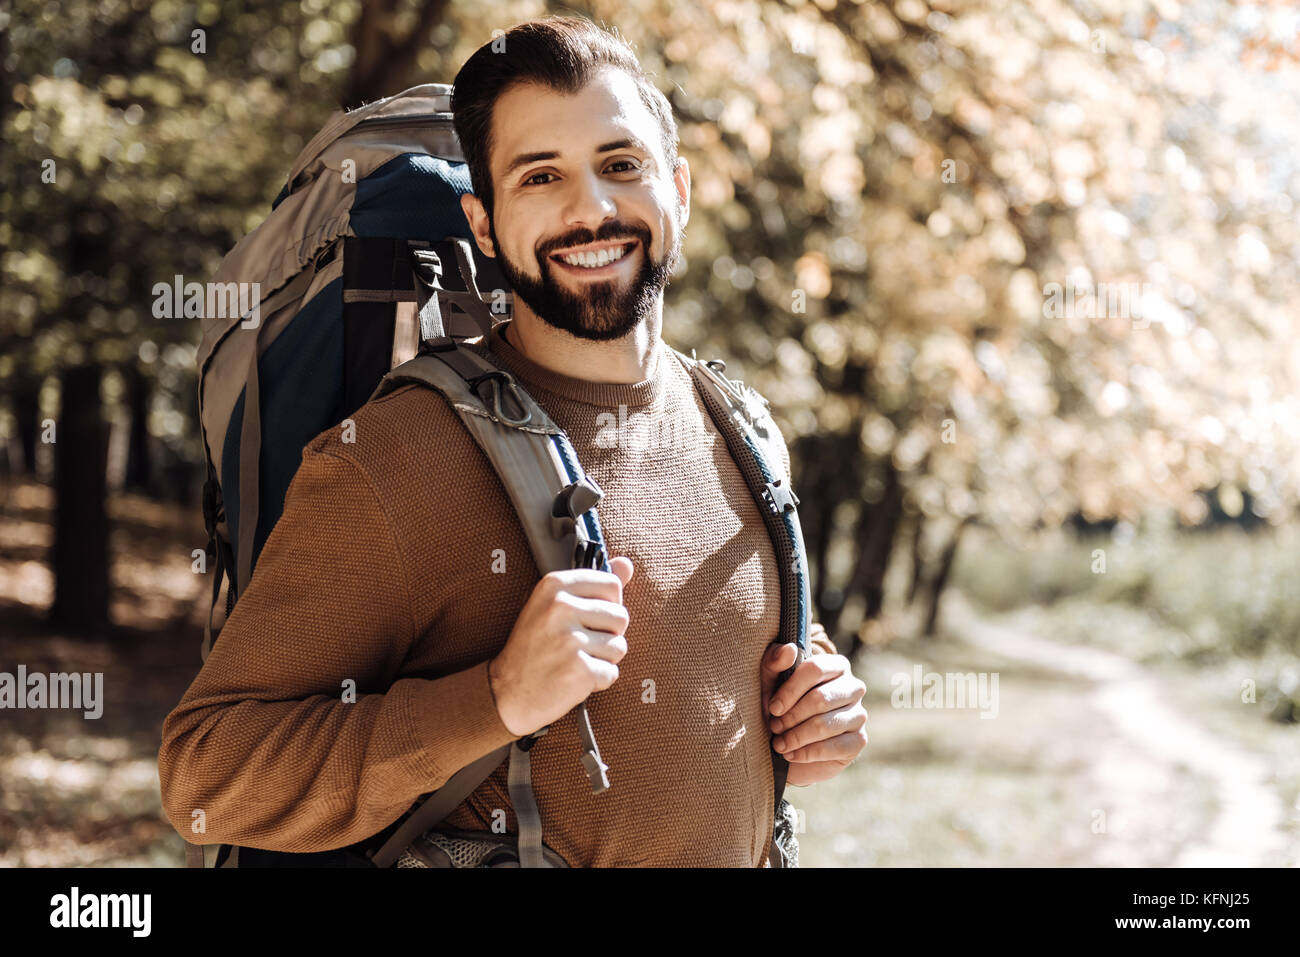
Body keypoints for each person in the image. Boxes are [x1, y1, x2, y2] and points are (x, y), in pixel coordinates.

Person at [158, 14, 867, 867]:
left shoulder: (743, 430)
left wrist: (818, 709)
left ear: (677, 190)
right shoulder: (395, 458)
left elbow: (713, 694)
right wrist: (493, 698)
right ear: (485, 225)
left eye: (620, 165)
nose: (591, 209)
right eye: (540, 177)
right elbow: (205, 777)